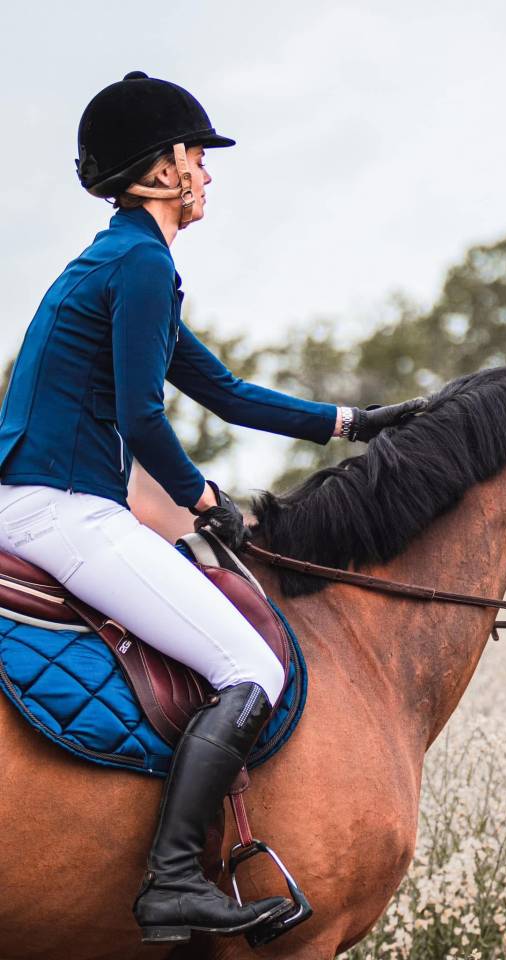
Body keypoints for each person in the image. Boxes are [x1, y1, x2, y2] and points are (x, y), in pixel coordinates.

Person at [0, 71, 425, 944]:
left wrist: (355, 423)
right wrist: (203, 498)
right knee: (251, 668)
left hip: (44, 501)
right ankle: (173, 881)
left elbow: (222, 391)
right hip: (65, 511)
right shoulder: (142, 264)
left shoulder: (118, 260)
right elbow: (138, 415)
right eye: (196, 154)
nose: (205, 171)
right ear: (158, 171)